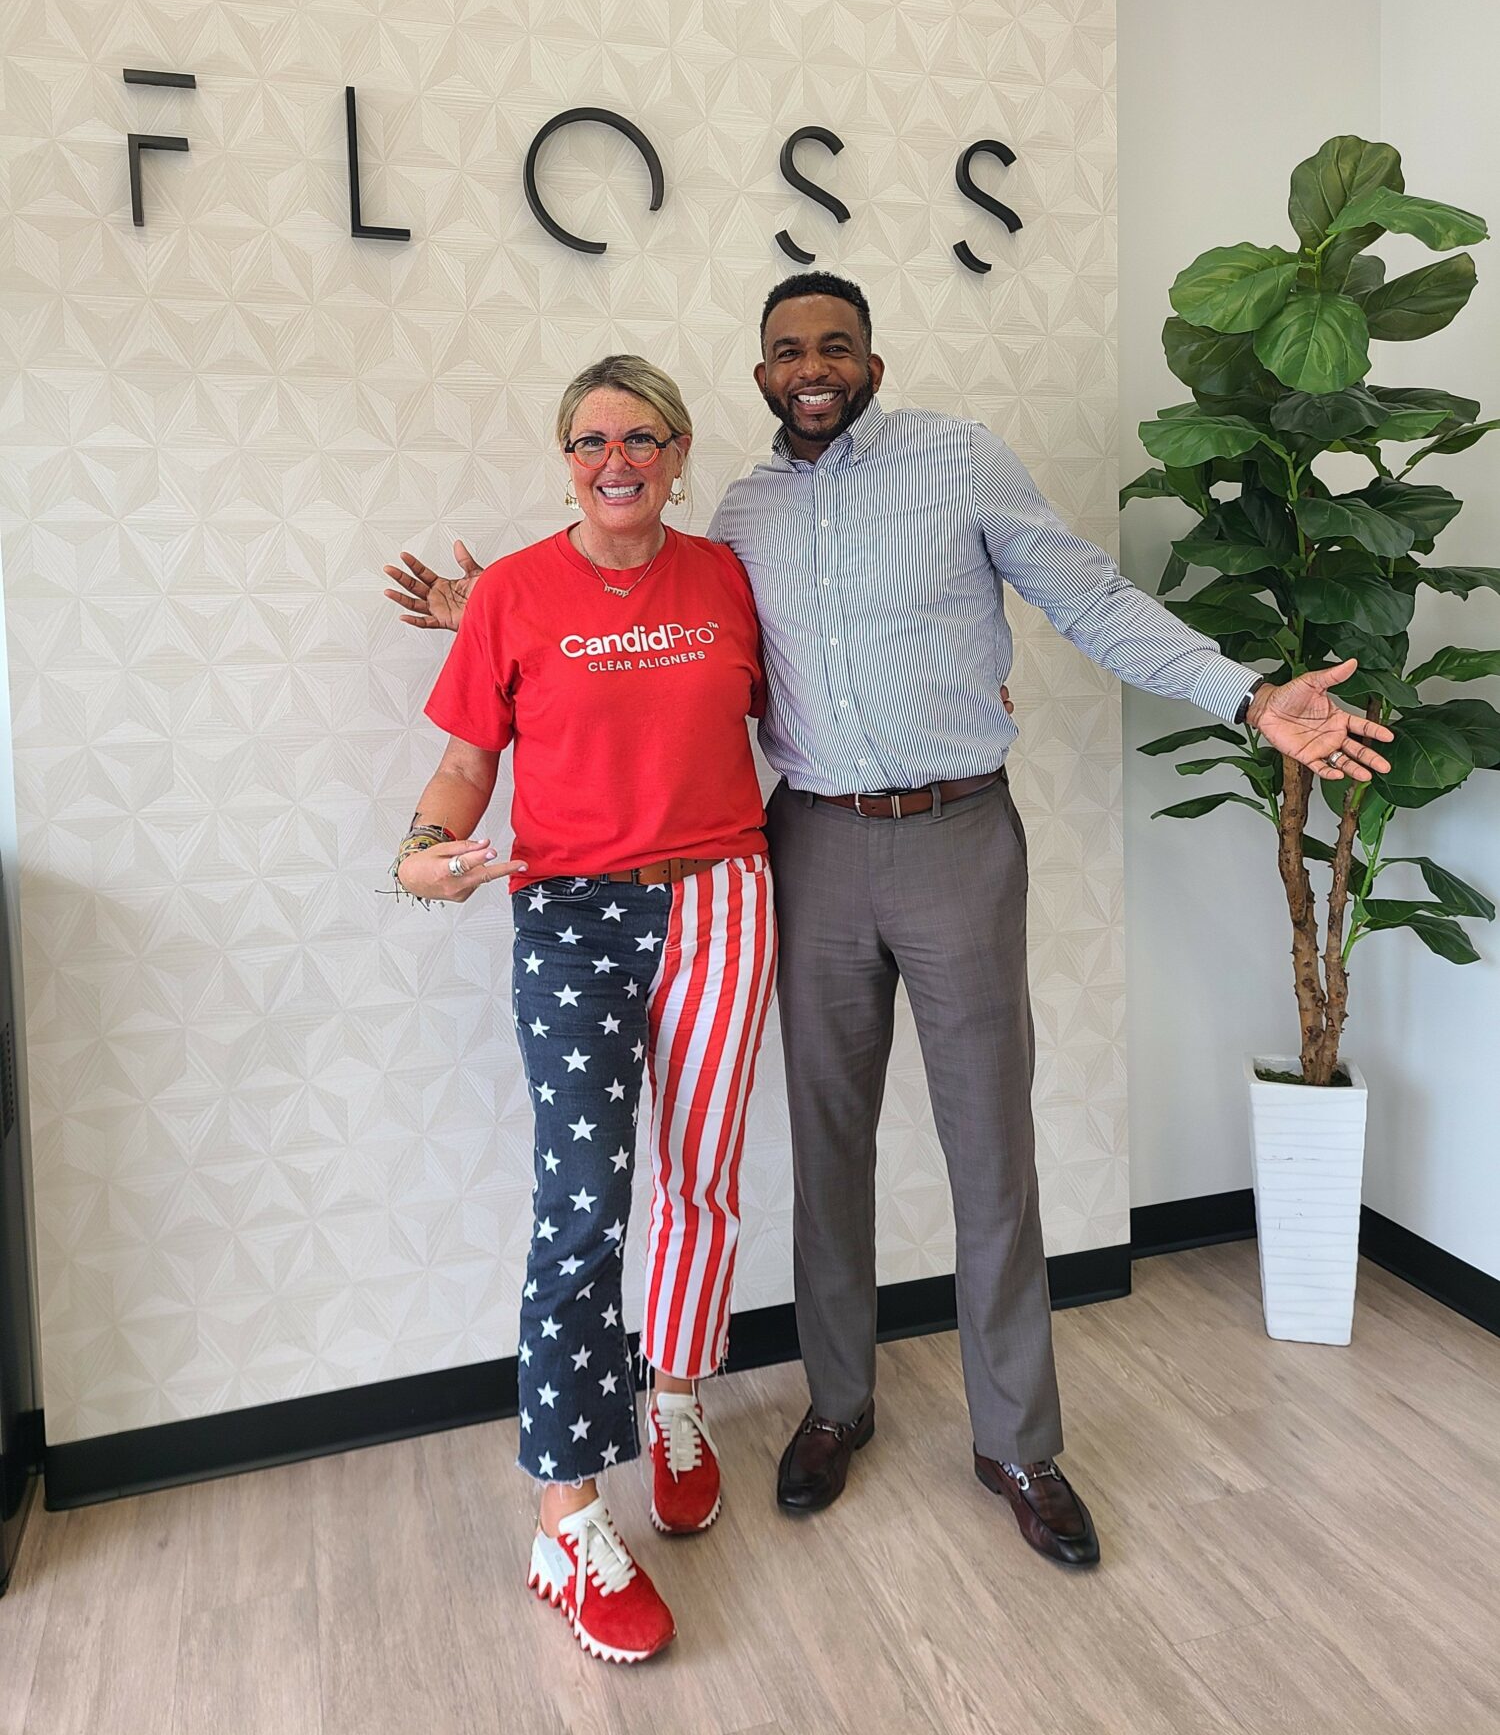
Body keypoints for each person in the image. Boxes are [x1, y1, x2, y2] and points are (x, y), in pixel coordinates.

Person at [387, 274, 1392, 1573]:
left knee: (991, 1148)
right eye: (786, 351)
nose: (812, 367)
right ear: (758, 377)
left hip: (960, 836)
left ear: (871, 357)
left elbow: (1089, 601)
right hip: (806, 843)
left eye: (835, 346)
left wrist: (1249, 699)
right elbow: (632, 605)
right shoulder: (742, 517)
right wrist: (489, 612)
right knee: (829, 1144)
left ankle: (1021, 1441)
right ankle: (836, 1405)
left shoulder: (960, 462)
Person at [392, 354, 775, 1664]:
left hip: (724, 896)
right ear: (567, 458)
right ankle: (568, 1518)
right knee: (584, 1206)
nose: (619, 459)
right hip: (570, 919)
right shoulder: (512, 592)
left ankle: (674, 1398)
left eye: (645, 436)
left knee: (702, 1178)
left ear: (679, 451)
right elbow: (460, 765)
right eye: (592, 439)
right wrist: (418, 856)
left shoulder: (726, 578)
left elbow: (809, 703)